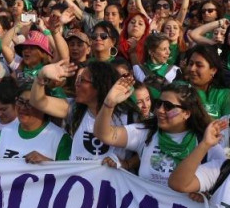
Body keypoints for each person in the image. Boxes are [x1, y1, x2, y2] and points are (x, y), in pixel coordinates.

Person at [94, 78, 223, 185]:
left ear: (186, 113)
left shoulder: (204, 143)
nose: (160, 110)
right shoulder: (146, 133)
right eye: (158, 104)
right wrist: (109, 104)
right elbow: (104, 134)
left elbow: (222, 177)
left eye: (168, 106)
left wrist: (205, 191)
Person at [0, 84, 71, 162]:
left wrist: (47, 163)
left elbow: (68, 174)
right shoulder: (4, 133)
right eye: (20, 101)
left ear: (44, 107)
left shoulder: (60, 138)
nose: (23, 108)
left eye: (30, 103)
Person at [184, 44, 230, 119]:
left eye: (199, 65)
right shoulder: (180, 90)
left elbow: (227, 126)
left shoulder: (225, 95)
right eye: (190, 64)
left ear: (213, 70)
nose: (192, 69)